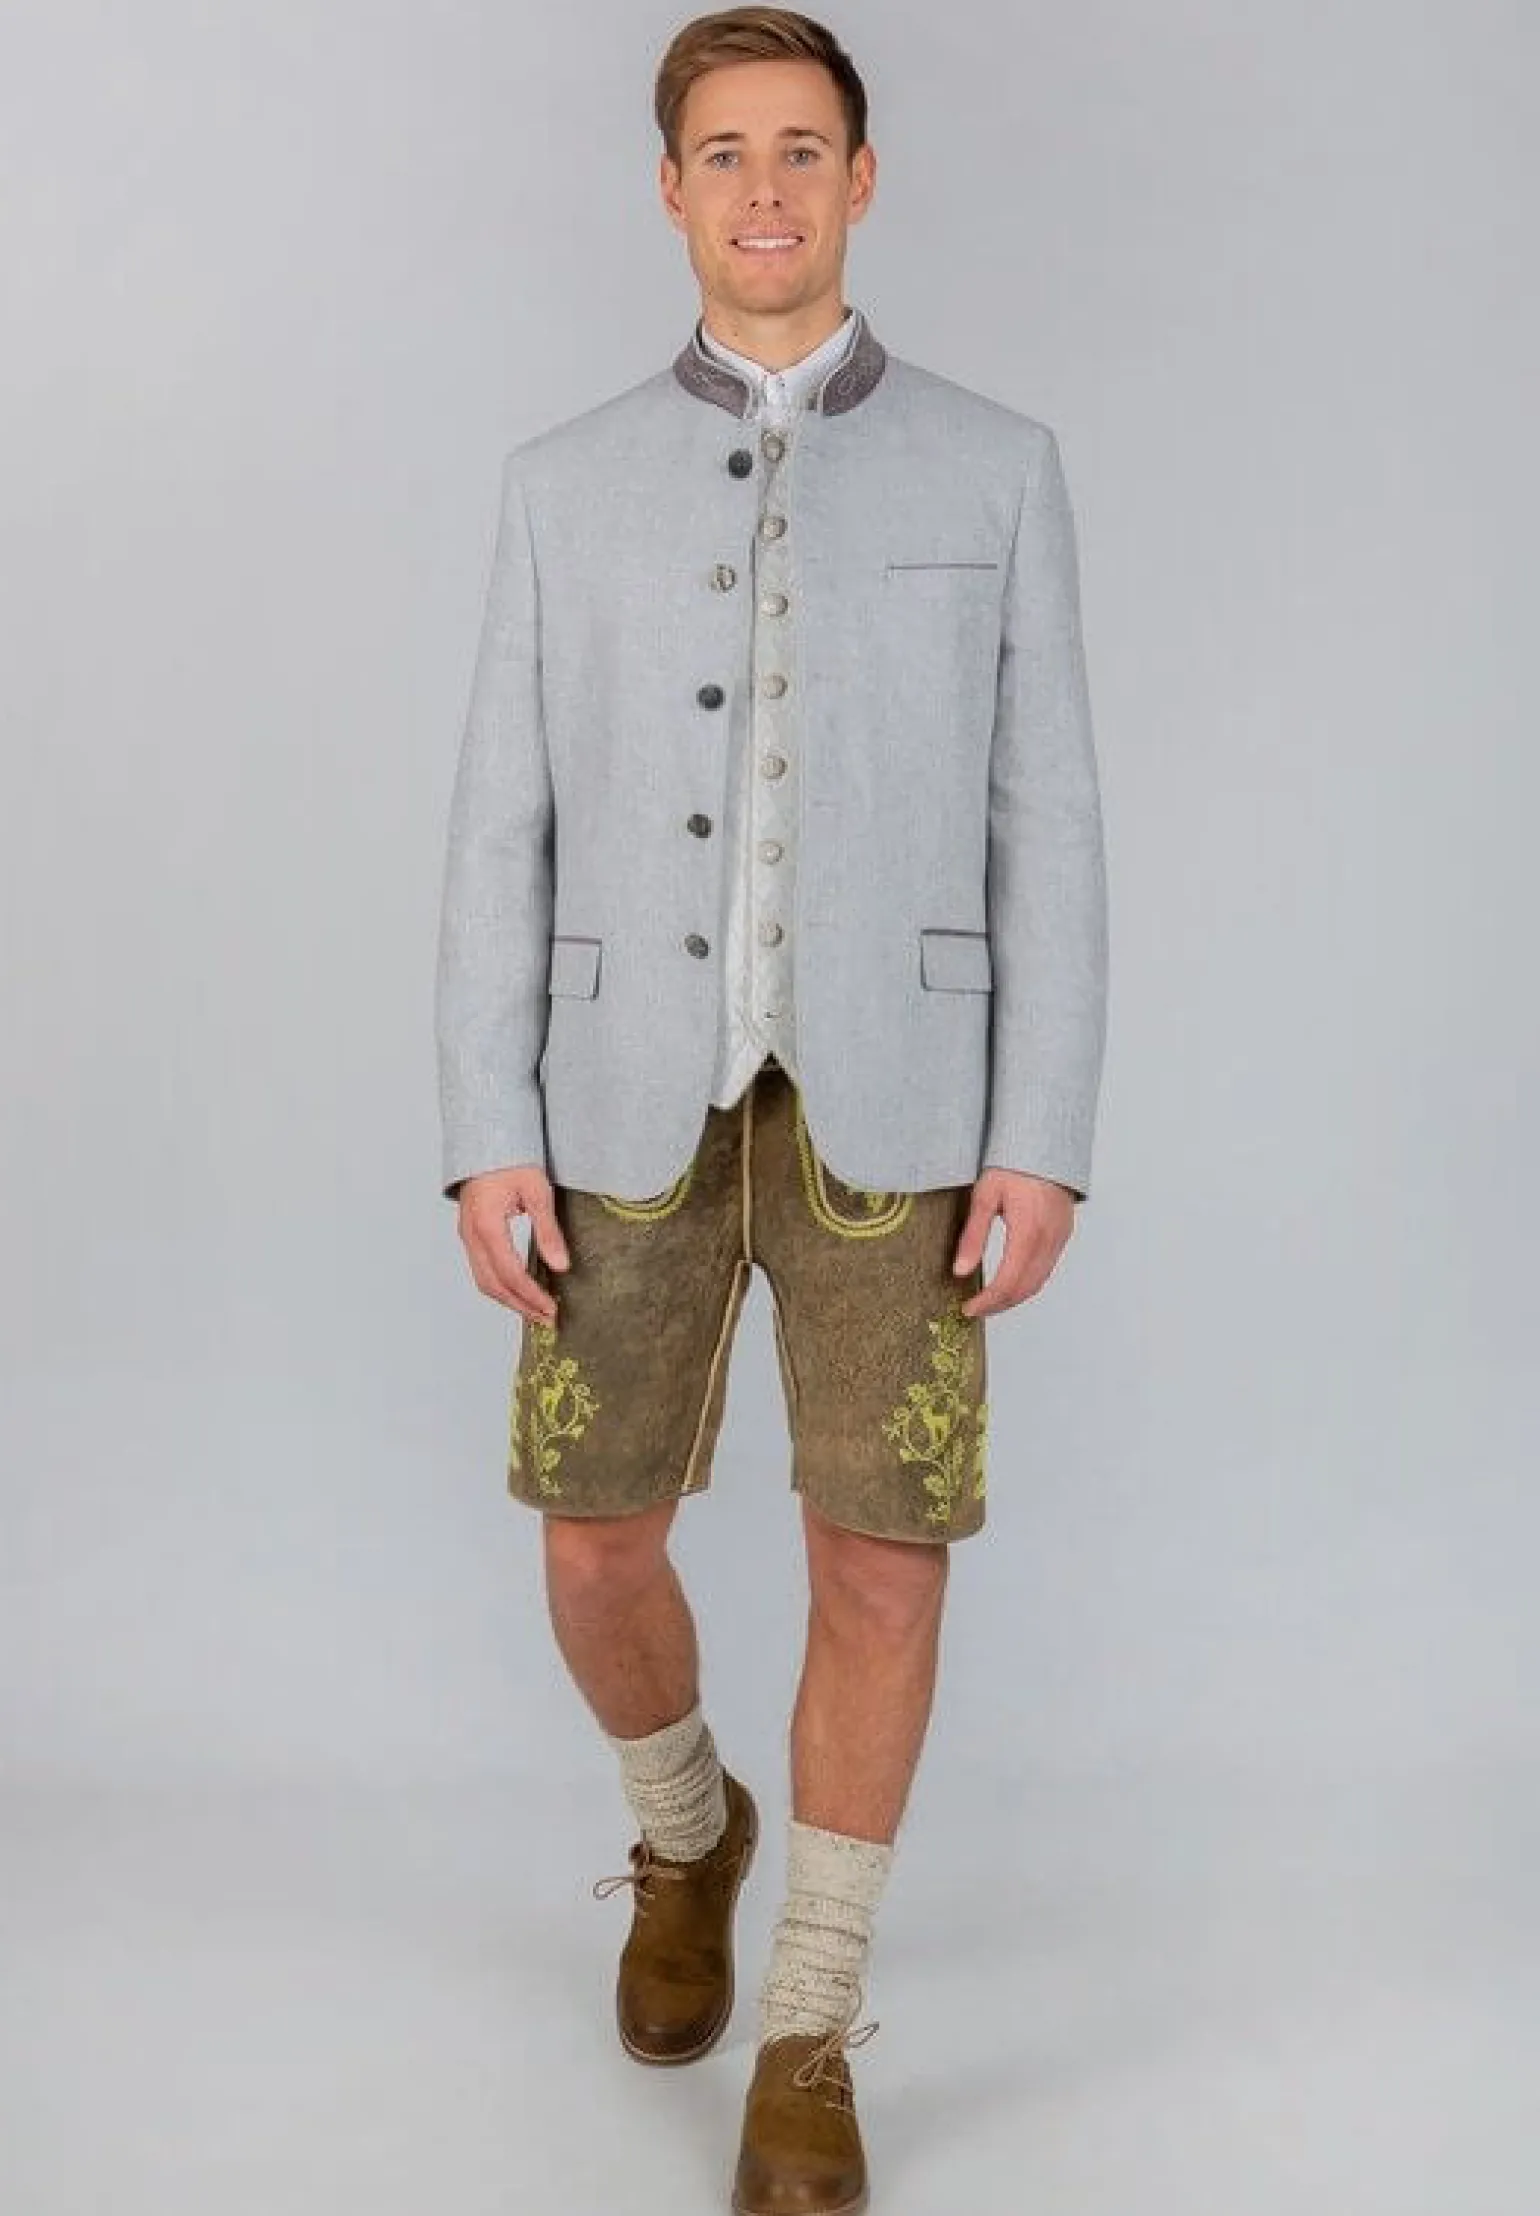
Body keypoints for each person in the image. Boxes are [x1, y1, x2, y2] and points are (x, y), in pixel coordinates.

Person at [434, 8, 1108, 2209]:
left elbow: (1047, 818)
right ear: (668, 189)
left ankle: (810, 2019)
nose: (762, 188)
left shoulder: (998, 466)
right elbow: (500, 822)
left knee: (881, 1559)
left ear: (861, 178)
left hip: (902, 1104)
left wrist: (1042, 1127)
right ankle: (681, 1829)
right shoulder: (562, 482)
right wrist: (484, 1113)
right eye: (722, 152)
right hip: (620, 1087)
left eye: (801, 148)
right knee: (590, 1536)